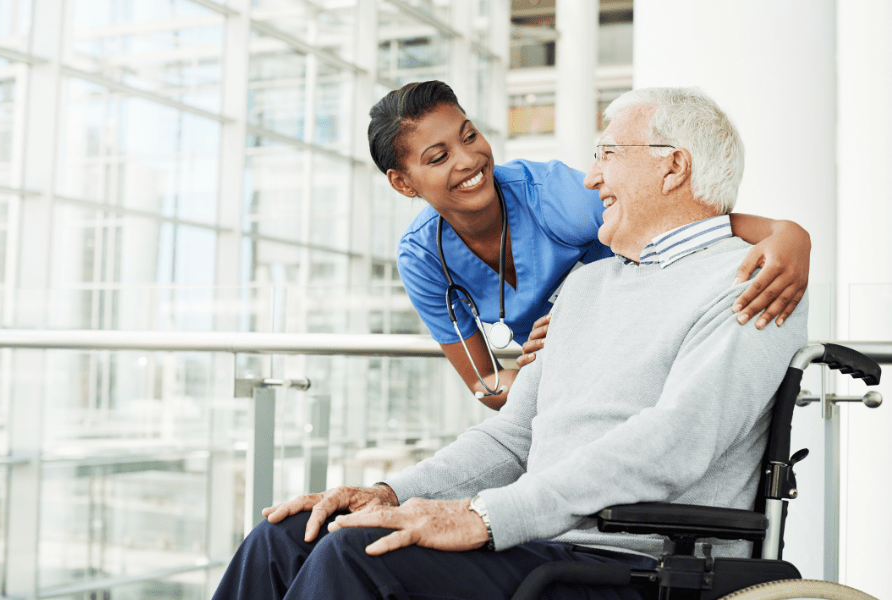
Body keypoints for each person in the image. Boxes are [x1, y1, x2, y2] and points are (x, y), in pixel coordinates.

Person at [211, 87, 809, 600]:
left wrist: (486, 515)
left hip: (635, 562)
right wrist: (390, 492)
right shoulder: (588, 281)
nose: (592, 176)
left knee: (356, 559)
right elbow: (512, 436)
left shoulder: (753, 282)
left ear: (673, 167)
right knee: (292, 536)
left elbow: (675, 445)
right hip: (539, 541)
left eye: (606, 155)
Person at [371, 81, 811, 408]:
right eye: (439, 156)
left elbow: (680, 216)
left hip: (637, 364)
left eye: (469, 136)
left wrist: (785, 233)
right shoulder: (423, 257)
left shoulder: (554, 197)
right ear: (402, 182)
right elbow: (486, 383)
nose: (469, 159)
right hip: (556, 399)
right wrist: (544, 366)